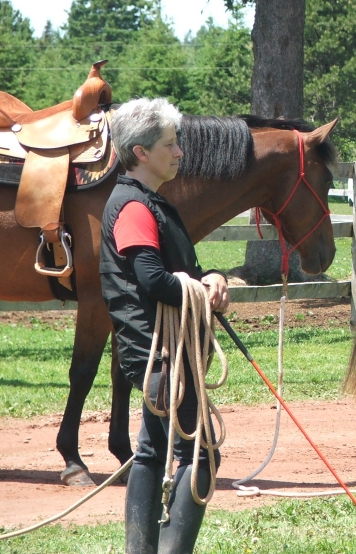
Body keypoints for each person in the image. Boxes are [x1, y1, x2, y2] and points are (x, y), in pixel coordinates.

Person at [100, 98, 230, 553]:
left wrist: (208, 278)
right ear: (141, 153)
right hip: (159, 354)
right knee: (200, 455)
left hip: (167, 352)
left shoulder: (149, 203)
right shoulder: (135, 207)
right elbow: (152, 280)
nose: (178, 153)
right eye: (170, 145)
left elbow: (175, 269)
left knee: (157, 452)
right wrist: (199, 290)